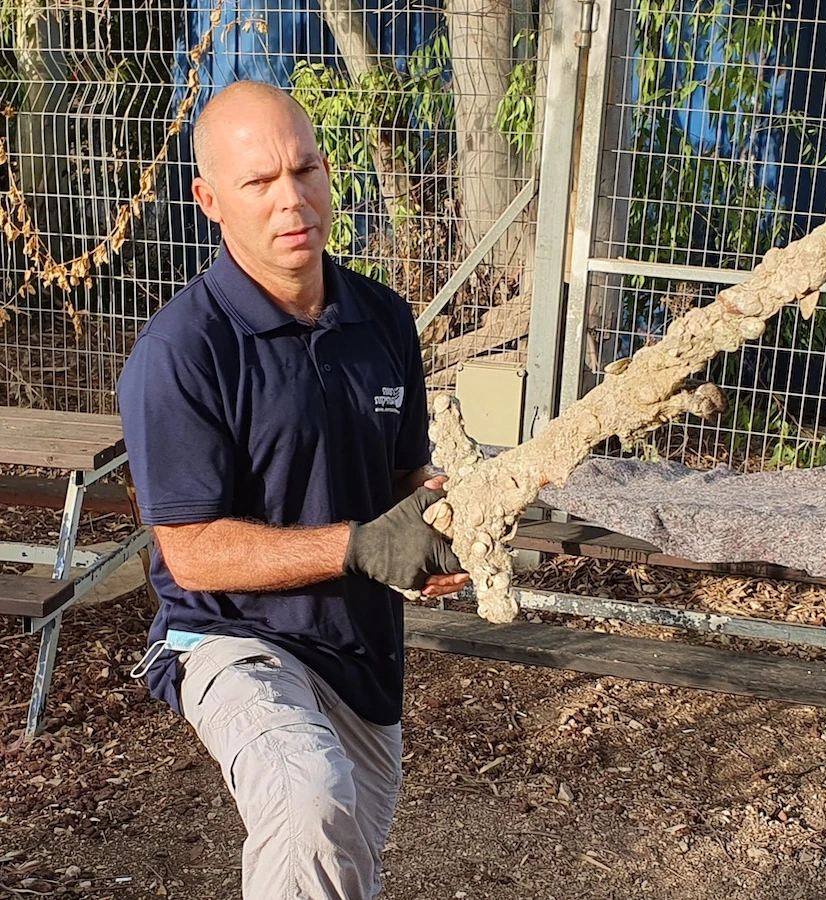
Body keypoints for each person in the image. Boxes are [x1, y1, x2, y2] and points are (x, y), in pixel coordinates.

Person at [119, 79, 469, 899]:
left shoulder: (381, 318)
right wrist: (358, 546)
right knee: (310, 798)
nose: (293, 200)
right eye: (259, 183)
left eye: (305, 170)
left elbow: (402, 483)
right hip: (230, 643)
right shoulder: (182, 353)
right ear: (209, 199)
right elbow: (193, 554)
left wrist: (447, 525)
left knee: (342, 867)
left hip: (362, 655)